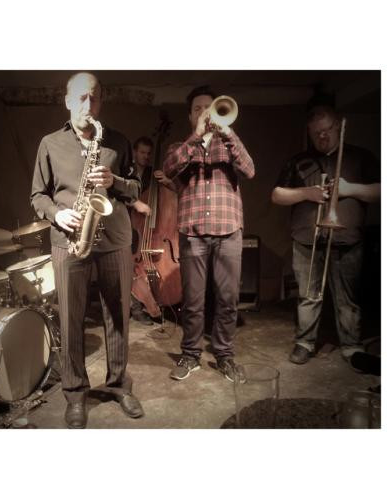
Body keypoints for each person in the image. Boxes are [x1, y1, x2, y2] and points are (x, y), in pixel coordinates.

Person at [31, 72, 144, 428]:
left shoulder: (119, 142)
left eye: (93, 97)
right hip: (69, 240)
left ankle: (118, 385)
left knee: (119, 316)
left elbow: (136, 189)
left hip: (115, 239)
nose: (88, 104)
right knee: (71, 319)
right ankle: (75, 393)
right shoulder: (50, 143)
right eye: (81, 97)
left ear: (101, 101)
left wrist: (116, 181)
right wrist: (56, 213)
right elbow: (38, 195)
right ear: (67, 101)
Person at [271, 104, 380, 366]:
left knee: (347, 298)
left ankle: (351, 346)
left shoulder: (361, 157)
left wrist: (349, 189)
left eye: (327, 130)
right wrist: (306, 193)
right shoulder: (298, 161)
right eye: (316, 132)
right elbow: (277, 195)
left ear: (338, 127)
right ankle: (305, 342)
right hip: (307, 240)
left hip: (348, 239)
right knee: (308, 295)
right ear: (309, 132)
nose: (322, 136)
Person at [163, 86, 255, 381]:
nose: (204, 112)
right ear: (190, 116)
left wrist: (227, 132)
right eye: (197, 108)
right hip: (193, 232)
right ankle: (190, 355)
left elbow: (250, 170)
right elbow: (169, 168)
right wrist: (196, 137)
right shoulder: (180, 146)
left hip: (228, 229)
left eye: (209, 107)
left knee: (228, 299)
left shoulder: (229, 144)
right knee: (192, 301)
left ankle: (225, 355)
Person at [129, 136, 175, 326]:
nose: (146, 157)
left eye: (149, 153)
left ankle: (159, 301)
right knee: (129, 266)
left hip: (152, 231)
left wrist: (168, 182)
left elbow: (173, 193)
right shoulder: (127, 171)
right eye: (142, 152)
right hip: (131, 225)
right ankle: (136, 308)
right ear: (134, 152)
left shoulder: (153, 174)